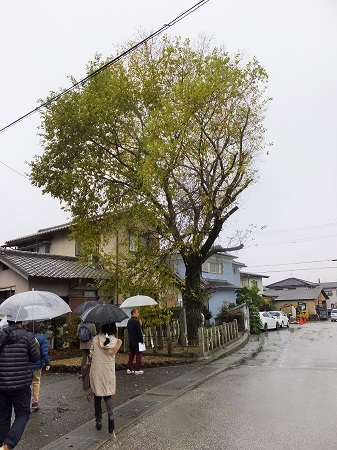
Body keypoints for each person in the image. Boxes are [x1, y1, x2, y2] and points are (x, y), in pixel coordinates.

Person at [0, 318, 40, 450]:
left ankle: (1, 444)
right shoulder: (28, 336)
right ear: (21, 322)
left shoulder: (0, 334)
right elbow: (35, 358)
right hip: (21, 385)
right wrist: (35, 344)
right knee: (22, 414)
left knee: (3, 416)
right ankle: (8, 444)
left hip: (2, 384)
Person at [89, 322, 122, 434]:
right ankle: (111, 416)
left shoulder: (95, 339)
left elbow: (90, 354)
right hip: (108, 371)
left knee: (97, 396)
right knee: (108, 396)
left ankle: (98, 420)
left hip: (97, 370)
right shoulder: (116, 342)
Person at [27, 322, 51, 411]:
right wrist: (48, 363)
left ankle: (26, 401)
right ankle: (34, 402)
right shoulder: (41, 338)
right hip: (37, 364)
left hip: (26, 365)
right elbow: (44, 352)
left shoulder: (25, 336)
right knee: (36, 382)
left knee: (27, 384)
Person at [127, 308, 144, 375]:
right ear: (133, 313)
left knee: (131, 355)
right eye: (137, 312)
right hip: (137, 341)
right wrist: (141, 340)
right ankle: (137, 369)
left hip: (131, 340)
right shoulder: (136, 322)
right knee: (138, 355)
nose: (138, 314)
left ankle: (129, 368)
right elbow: (139, 332)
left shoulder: (129, 321)